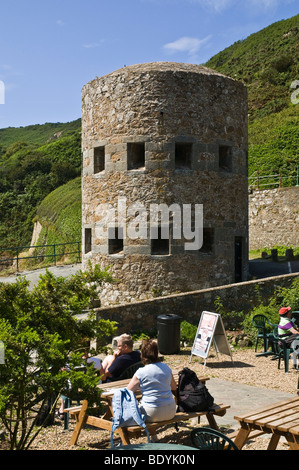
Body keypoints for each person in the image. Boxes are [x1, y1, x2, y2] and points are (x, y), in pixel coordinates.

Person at [127, 339, 177, 442]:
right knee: (147, 405)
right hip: (171, 410)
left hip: (152, 413)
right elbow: (174, 387)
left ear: (143, 354)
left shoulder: (141, 372)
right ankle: (153, 437)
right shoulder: (166, 368)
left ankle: (124, 441)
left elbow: (128, 392)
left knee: (138, 407)